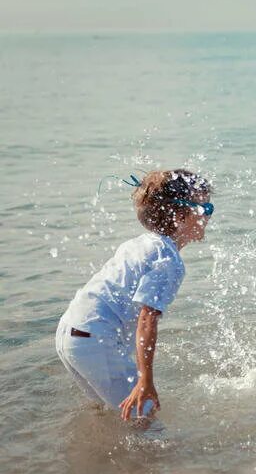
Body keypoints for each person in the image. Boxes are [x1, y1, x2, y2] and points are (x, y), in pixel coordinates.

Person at [55, 169, 213, 420]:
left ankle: (103, 456)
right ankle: (159, 459)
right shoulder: (167, 259)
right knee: (145, 417)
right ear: (181, 216)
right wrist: (145, 381)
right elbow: (147, 320)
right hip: (95, 341)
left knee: (111, 413)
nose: (209, 217)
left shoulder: (141, 243)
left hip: (69, 334)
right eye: (207, 209)